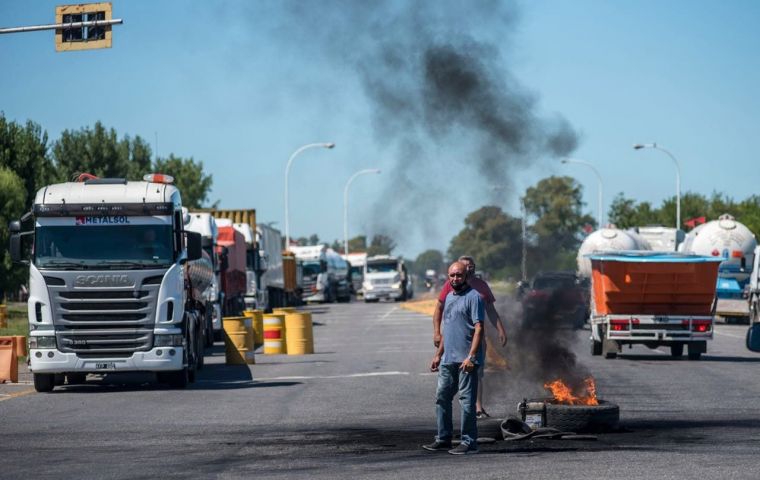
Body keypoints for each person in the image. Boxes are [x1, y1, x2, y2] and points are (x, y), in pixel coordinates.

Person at [432, 255, 506, 419]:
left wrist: (500, 329)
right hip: (454, 342)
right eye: (464, 266)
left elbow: (490, 312)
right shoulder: (450, 288)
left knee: (476, 372)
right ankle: (446, 432)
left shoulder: (480, 289)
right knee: (446, 390)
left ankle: (477, 408)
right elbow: (440, 311)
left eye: (471, 266)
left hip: (475, 340)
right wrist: (437, 333)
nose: (468, 268)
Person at [423, 261, 484, 455]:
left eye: (459, 275)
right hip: (448, 359)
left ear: (466, 276)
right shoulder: (449, 297)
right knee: (442, 398)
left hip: (466, 360)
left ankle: (469, 442)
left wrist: (472, 357)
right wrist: (438, 355)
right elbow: (447, 329)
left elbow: (479, 328)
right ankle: (443, 438)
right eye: (452, 275)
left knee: (467, 401)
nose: (455, 278)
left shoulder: (474, 297)